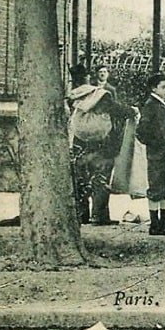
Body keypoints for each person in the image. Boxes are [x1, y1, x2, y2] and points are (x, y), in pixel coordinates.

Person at [66, 63, 137, 225]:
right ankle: (99, 215)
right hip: (101, 142)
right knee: (101, 177)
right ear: (88, 77)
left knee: (80, 177)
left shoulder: (73, 96)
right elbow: (116, 109)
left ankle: (81, 214)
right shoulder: (99, 94)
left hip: (79, 141)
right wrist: (133, 111)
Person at [135, 73, 165, 236]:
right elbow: (141, 131)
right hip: (158, 153)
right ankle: (155, 224)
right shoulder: (150, 105)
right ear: (154, 88)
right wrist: (155, 144)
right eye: (163, 87)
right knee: (157, 186)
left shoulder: (164, 106)